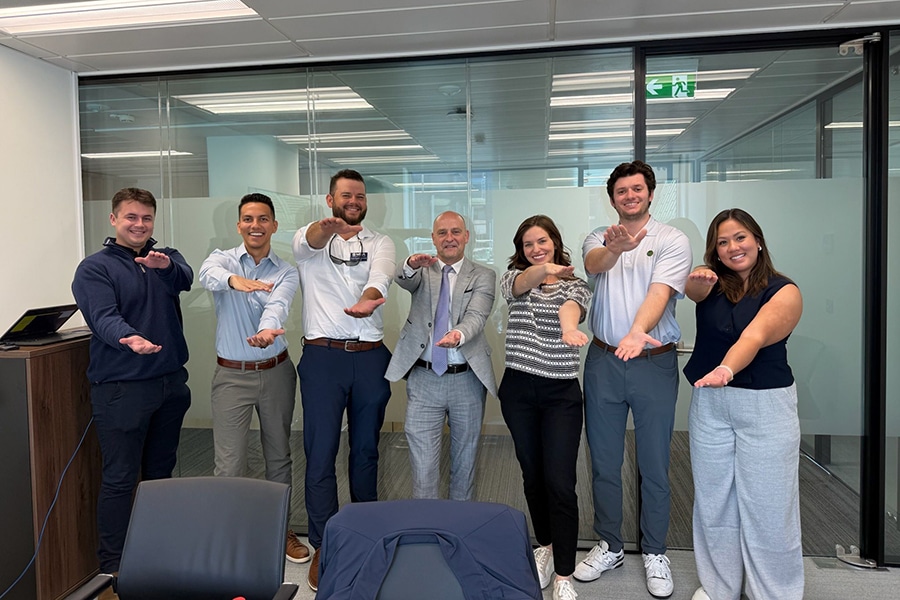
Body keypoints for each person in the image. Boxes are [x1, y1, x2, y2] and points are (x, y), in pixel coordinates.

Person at [576, 161, 691, 598]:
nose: (629, 196)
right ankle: (610, 544)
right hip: (604, 362)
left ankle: (656, 550)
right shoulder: (600, 236)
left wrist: (638, 332)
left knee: (654, 463)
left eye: (637, 189)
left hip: (653, 363)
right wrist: (617, 248)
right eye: (621, 191)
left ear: (650, 193)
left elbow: (661, 292)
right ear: (612, 198)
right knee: (603, 460)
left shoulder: (672, 240)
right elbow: (594, 261)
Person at [71, 187, 192, 578]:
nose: (139, 225)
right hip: (123, 388)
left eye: (146, 218)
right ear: (113, 219)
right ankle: (115, 569)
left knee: (161, 474)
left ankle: (159, 553)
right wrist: (128, 336)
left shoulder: (166, 257)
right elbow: (102, 315)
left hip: (170, 385)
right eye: (131, 217)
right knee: (121, 477)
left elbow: (185, 278)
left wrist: (164, 268)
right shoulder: (95, 267)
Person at [683, 208, 804, 600]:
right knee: (714, 500)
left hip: (765, 406)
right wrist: (697, 278)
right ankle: (719, 587)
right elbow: (693, 292)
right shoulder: (715, 286)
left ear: (758, 240)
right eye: (723, 242)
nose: (733, 247)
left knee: (768, 506)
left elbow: (753, 337)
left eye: (740, 237)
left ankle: (774, 592)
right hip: (711, 405)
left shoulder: (784, 290)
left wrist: (725, 370)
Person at [291, 169, 395, 591]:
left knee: (366, 451)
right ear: (330, 198)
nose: (353, 200)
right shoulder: (309, 240)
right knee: (320, 453)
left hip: (370, 358)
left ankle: (365, 535)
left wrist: (367, 302)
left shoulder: (380, 242)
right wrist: (324, 227)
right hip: (323, 358)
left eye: (359, 195)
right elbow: (311, 239)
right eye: (345, 195)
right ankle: (324, 545)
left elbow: (380, 277)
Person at [198, 192, 309, 564]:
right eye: (248, 219)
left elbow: (278, 305)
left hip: (276, 371)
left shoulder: (286, 270)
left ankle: (280, 531)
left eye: (263, 219)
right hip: (231, 376)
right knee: (230, 464)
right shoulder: (222, 259)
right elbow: (207, 275)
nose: (255, 225)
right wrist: (235, 281)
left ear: (274, 226)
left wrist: (266, 330)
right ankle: (232, 536)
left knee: (279, 456)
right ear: (239, 225)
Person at [498, 215, 591, 600]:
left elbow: (571, 307)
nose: (536, 248)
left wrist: (569, 328)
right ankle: (546, 547)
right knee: (532, 476)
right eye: (528, 244)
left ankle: (564, 574)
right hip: (518, 389)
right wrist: (542, 269)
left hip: (560, 395)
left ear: (555, 240)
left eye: (542, 241)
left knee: (560, 482)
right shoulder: (512, 279)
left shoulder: (578, 284)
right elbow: (521, 284)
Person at [385, 211, 497, 501]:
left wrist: (458, 335)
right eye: (442, 233)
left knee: (465, 463)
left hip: (467, 380)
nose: (449, 238)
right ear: (433, 239)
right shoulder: (423, 270)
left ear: (467, 237)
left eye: (456, 232)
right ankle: (427, 529)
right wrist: (410, 263)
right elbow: (400, 277)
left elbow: (477, 315)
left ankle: (458, 528)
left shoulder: (484, 275)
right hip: (424, 379)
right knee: (422, 467)